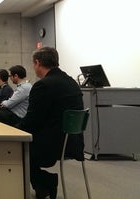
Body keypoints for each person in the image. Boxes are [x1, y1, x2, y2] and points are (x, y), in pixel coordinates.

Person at [19, 47, 84, 199]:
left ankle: (47, 180)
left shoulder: (43, 85)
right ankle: (42, 186)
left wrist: (12, 131)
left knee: (11, 150)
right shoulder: (71, 82)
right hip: (73, 143)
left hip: (52, 145)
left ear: (37, 63)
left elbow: (31, 122)